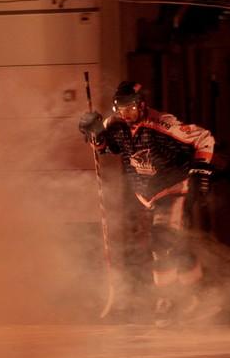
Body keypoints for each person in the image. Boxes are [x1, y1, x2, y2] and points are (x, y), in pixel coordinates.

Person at [78, 81, 215, 324]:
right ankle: (199, 299)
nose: (126, 115)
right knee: (176, 246)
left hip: (173, 188)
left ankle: (167, 302)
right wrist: (94, 133)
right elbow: (106, 147)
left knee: (162, 241)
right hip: (149, 195)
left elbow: (204, 138)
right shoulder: (116, 124)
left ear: (141, 105)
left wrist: (201, 171)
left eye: (131, 109)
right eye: (122, 110)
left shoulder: (162, 123)